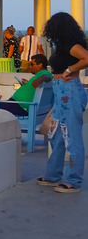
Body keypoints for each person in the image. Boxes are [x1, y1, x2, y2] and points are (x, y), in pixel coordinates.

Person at [38, 13, 88, 193]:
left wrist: (69, 70)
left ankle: (74, 181)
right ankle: (53, 175)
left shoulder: (72, 46)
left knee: (72, 137)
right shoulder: (61, 46)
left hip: (70, 92)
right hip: (61, 92)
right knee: (56, 135)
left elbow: (87, 58)